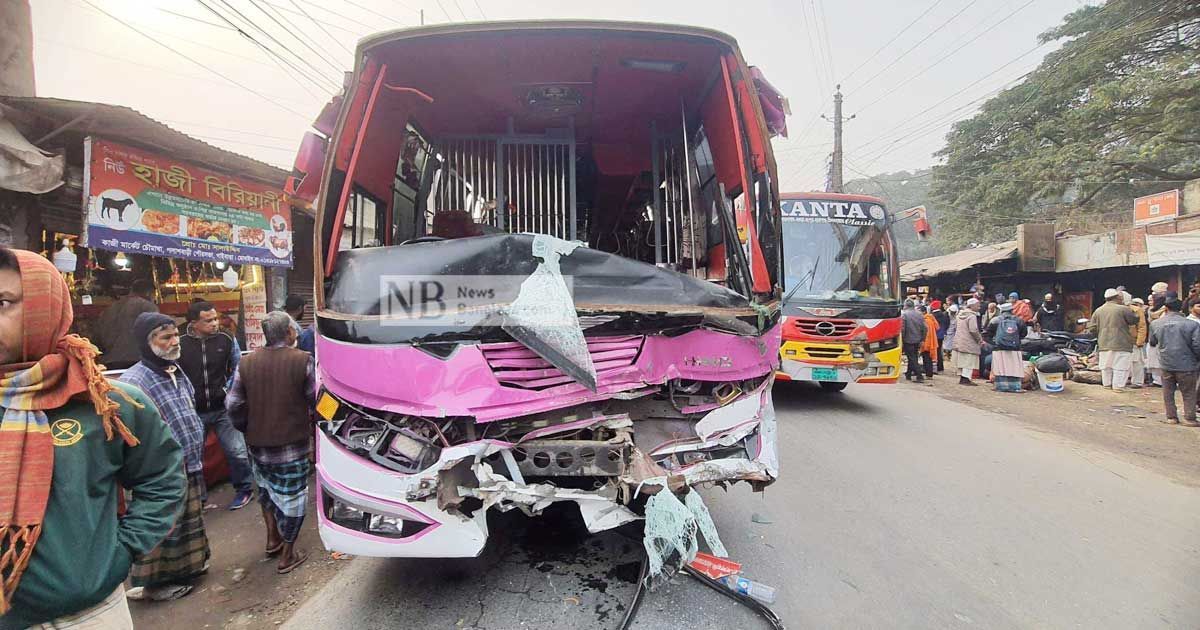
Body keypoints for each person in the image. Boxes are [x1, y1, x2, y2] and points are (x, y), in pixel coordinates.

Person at [0, 249, 184, 628]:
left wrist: (120, 552)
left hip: (87, 616)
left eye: (4, 303)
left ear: (45, 307)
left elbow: (162, 476)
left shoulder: (104, 401)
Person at [120, 313, 211, 601]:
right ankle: (155, 585)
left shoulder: (175, 370)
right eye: (165, 337)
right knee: (163, 529)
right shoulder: (133, 382)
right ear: (147, 343)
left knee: (187, 522)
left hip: (188, 464)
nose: (174, 342)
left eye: (175, 335)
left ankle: (188, 570)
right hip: (159, 473)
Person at [227, 312, 318, 574]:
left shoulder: (246, 362)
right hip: (292, 445)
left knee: (266, 492)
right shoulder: (302, 360)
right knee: (294, 499)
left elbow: (232, 404)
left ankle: (272, 539)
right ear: (289, 333)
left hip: (258, 446)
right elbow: (315, 399)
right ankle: (288, 554)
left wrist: (246, 427)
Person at [180, 301, 254, 510]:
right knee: (193, 456)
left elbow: (238, 368)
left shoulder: (226, 339)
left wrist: (228, 392)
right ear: (194, 323)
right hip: (194, 410)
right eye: (208, 320)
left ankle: (245, 489)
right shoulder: (181, 342)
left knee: (237, 451)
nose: (215, 323)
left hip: (223, 409)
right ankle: (199, 498)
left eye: (215, 318)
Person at [1148, 294, 1200, 426]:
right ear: (1181, 309)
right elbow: (1197, 345)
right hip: (1187, 364)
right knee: (1189, 392)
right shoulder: (1192, 325)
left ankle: (1171, 417)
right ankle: (1189, 418)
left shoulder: (1156, 323)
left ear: (1166, 308)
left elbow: (1153, 342)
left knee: (1168, 392)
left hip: (1166, 363)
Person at [94, 278, 158, 370]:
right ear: (149, 293)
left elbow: (97, 337)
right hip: (138, 361)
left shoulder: (109, 308)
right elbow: (156, 334)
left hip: (110, 362)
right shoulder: (148, 307)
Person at [1087, 288, 1140, 392]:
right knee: (1121, 366)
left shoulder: (1098, 310)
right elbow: (1134, 320)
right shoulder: (1123, 309)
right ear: (1117, 298)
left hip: (1104, 343)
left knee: (1106, 366)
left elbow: (1092, 328)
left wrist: (1101, 333)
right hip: (1121, 342)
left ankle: (1106, 384)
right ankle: (1118, 386)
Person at [985, 302, 1028, 392]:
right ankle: (1015, 387)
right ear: (1012, 310)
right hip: (1015, 348)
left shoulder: (995, 320)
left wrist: (995, 343)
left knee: (1000, 367)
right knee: (1014, 367)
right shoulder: (1019, 320)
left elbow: (987, 334)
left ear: (1001, 310)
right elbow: (1024, 334)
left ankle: (1000, 386)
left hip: (999, 348)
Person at [951, 298, 983, 386]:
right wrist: (979, 340)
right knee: (969, 361)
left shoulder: (959, 315)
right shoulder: (972, 316)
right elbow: (973, 330)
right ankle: (966, 379)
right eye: (977, 305)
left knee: (962, 361)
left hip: (959, 340)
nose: (979, 307)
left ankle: (962, 377)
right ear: (971, 306)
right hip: (969, 342)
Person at [901, 299, 928, 383]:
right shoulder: (919, 314)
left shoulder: (904, 315)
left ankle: (919, 376)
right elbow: (925, 328)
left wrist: (902, 340)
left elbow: (903, 329)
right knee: (913, 357)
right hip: (918, 339)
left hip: (908, 339)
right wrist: (923, 338)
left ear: (905, 306)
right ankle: (908, 374)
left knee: (912, 358)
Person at [1127, 294, 1149, 389]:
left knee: (1137, 362)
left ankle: (1137, 382)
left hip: (1134, 340)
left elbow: (1142, 327)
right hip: (1121, 340)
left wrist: (1140, 341)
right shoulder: (1118, 309)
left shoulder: (1136, 310)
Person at [919, 305, 939, 379]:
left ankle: (928, 374)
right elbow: (937, 327)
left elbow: (926, 333)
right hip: (931, 341)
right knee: (929, 358)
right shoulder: (931, 319)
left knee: (926, 358)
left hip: (927, 341)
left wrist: (923, 341)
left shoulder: (926, 320)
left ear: (923, 312)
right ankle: (929, 374)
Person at [932, 299, 950, 373]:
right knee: (939, 351)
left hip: (933, 335)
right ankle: (940, 367)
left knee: (933, 351)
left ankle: (934, 367)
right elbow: (947, 324)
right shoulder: (945, 314)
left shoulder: (932, 316)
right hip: (941, 335)